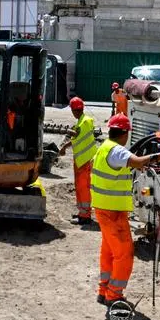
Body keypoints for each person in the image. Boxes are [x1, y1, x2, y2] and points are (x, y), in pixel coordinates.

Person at [92, 114, 160, 307]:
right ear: (124, 133)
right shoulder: (117, 151)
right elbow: (139, 162)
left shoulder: (104, 148)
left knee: (108, 252)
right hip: (113, 213)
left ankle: (103, 290)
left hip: (104, 209)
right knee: (124, 254)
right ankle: (114, 295)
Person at [57, 96, 96, 225]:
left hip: (83, 162)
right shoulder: (83, 121)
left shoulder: (83, 122)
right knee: (80, 188)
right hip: (82, 160)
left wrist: (64, 147)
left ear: (75, 110)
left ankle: (85, 216)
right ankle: (82, 212)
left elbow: (76, 138)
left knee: (83, 188)